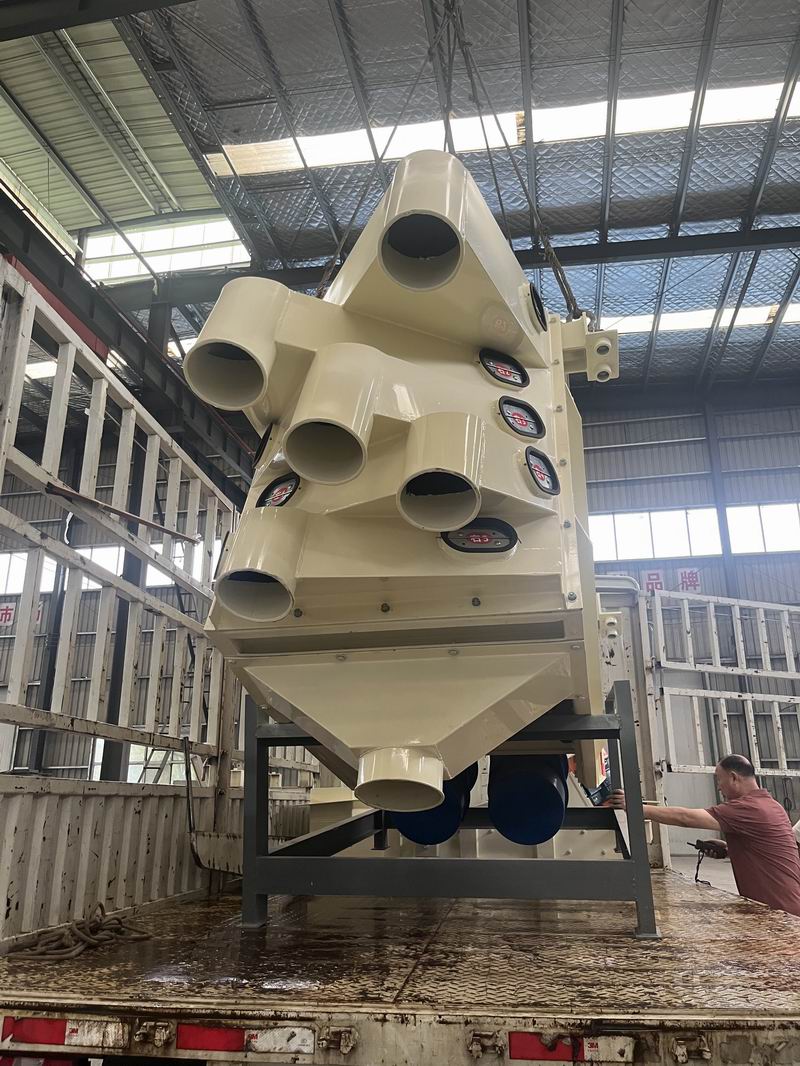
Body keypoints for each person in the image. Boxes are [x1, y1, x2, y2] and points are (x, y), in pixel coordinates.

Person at [607, 754, 800, 917]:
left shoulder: (749, 808)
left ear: (733, 778)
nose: (719, 787)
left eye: (719, 780)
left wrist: (634, 807)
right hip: (787, 906)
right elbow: (769, 849)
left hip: (779, 913)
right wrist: (729, 850)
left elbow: (685, 818)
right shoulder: (772, 805)